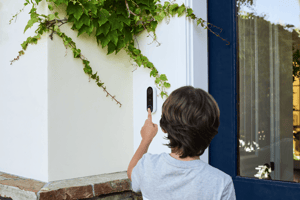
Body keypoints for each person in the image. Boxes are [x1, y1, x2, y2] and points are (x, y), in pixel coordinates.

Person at [127, 86, 236, 200]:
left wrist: (146, 139)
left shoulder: (148, 166)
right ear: (211, 132)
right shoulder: (221, 183)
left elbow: (132, 172)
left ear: (164, 127)